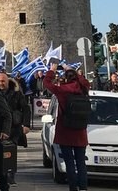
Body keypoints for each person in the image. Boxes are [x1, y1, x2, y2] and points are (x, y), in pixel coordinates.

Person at [45, 63, 90, 191]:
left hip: (65, 131)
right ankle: (83, 187)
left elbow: (47, 84)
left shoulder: (62, 90)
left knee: (69, 162)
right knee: (81, 162)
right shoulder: (83, 88)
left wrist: (52, 71)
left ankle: (73, 188)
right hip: (80, 131)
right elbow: (85, 81)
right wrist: (72, 70)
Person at [0, 75, 30, 185]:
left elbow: (26, 108)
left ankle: (10, 175)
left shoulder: (17, 93)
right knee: (0, 152)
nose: (1, 83)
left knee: (10, 151)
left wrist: (26, 125)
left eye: (3, 81)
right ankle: (1, 174)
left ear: (8, 82)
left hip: (14, 127)